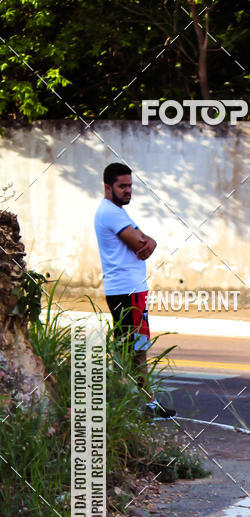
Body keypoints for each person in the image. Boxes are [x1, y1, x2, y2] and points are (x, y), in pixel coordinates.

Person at [94, 162, 175, 418]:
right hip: (125, 292)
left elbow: (148, 242)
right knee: (131, 350)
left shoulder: (119, 212)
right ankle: (130, 406)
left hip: (131, 290)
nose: (128, 190)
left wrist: (151, 242)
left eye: (130, 185)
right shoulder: (110, 213)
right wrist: (147, 242)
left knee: (137, 348)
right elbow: (140, 243)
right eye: (122, 186)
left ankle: (141, 403)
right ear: (108, 187)